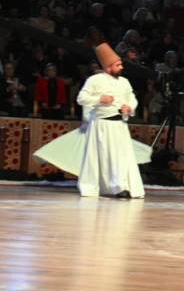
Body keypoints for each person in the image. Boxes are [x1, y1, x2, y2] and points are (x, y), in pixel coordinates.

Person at [35, 43, 150, 198]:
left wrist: (129, 107)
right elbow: (81, 98)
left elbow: (132, 99)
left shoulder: (124, 82)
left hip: (120, 125)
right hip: (101, 125)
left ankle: (122, 186)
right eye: (118, 64)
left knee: (122, 156)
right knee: (102, 156)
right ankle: (107, 187)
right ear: (108, 66)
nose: (121, 66)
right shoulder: (94, 80)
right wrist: (99, 99)